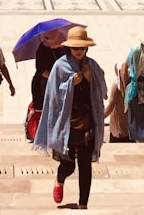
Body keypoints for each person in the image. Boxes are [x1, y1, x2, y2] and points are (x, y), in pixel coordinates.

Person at [34, 26, 107, 211]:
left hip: (88, 121)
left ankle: (83, 204)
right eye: (75, 48)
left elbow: (103, 91)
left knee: (85, 164)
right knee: (69, 164)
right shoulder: (60, 66)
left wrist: (91, 79)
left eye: (82, 48)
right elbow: (52, 95)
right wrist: (69, 84)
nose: (79, 51)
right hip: (68, 122)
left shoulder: (92, 66)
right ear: (69, 48)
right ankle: (59, 180)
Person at [103, 61, 130, 142]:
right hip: (129, 126)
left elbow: (111, 105)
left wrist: (100, 117)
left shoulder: (116, 86)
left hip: (118, 125)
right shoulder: (132, 84)